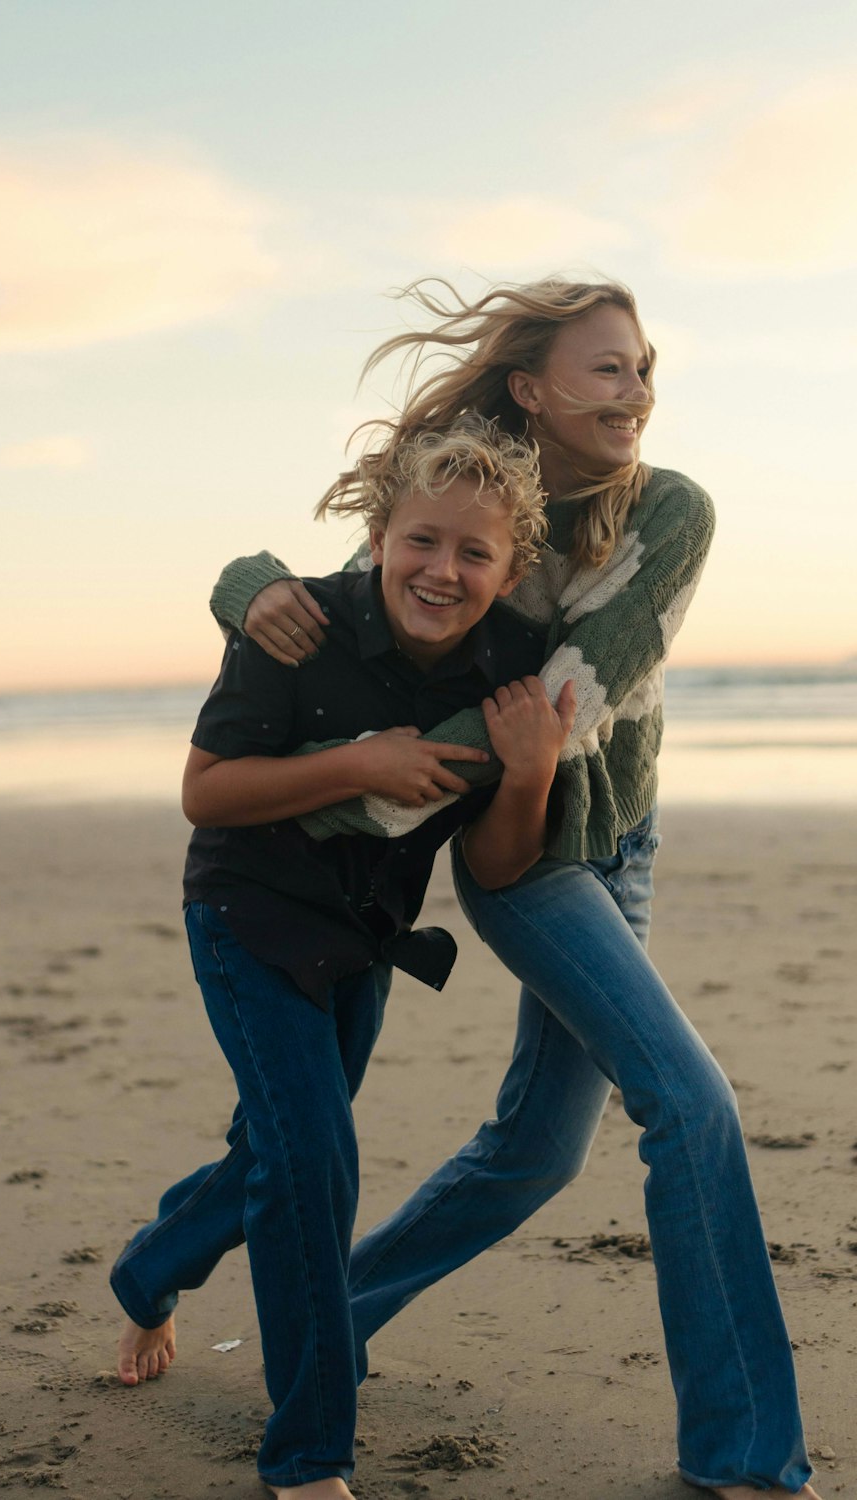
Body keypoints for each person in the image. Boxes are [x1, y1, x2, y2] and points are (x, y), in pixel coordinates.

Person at [209, 277, 821, 1499]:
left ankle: (335, 1327)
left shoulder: (671, 515)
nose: (636, 393)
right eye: (607, 370)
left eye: (644, 369)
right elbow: (347, 614)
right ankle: (746, 1459)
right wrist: (243, 584)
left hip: (618, 843)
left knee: (535, 1154)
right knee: (690, 1107)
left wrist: (368, 789)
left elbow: (565, 707)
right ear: (533, 389)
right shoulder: (464, 510)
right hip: (519, 855)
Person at [110, 418, 577, 1500]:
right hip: (247, 913)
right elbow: (205, 792)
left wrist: (529, 775)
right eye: (422, 540)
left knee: (274, 1156)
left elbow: (499, 866)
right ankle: (309, 1458)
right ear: (380, 536)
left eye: (474, 554)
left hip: (367, 939)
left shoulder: (511, 662)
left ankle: (147, 1269)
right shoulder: (295, 625)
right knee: (315, 1162)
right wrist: (358, 762)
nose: (442, 570)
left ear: (510, 572)